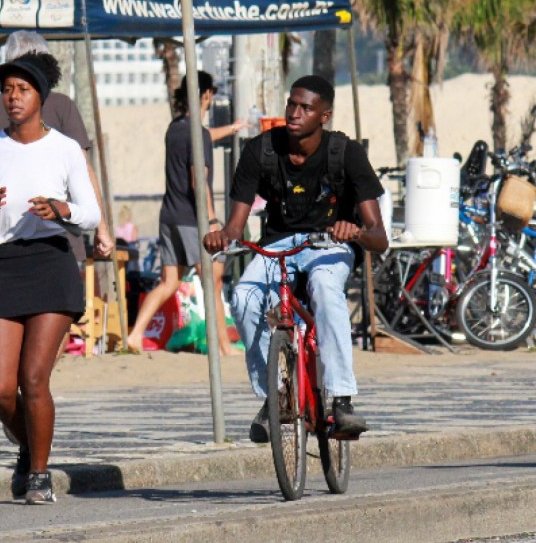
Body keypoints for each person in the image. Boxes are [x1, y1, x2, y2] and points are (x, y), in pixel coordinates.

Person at [203, 75, 387, 442]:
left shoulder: (346, 153)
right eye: (292, 104)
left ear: (325, 116)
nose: (295, 113)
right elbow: (236, 227)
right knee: (243, 297)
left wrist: (354, 232)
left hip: (328, 245)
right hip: (277, 244)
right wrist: (221, 236)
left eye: (306, 108)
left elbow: (379, 238)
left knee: (324, 287)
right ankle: (272, 398)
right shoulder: (260, 151)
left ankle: (341, 399)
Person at [0, 50, 100, 505]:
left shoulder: (64, 148)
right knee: (0, 388)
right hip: (4, 264)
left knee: (34, 378)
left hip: (52, 262)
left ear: (41, 96)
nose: (12, 97)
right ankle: (29, 445)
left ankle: (39, 473)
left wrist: (62, 210)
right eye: (6, 90)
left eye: (22, 89)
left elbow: (91, 214)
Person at [0, 31, 112, 291]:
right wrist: (102, 228)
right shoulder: (60, 105)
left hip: (3, 246)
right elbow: (84, 168)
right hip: (61, 245)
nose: (15, 96)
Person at [125, 72, 243, 355]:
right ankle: (224, 346)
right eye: (212, 92)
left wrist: (231, 128)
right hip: (193, 218)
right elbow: (198, 182)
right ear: (205, 95)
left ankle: (135, 335)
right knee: (213, 279)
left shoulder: (175, 128)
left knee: (169, 282)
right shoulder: (197, 134)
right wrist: (213, 221)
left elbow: (202, 137)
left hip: (169, 216)